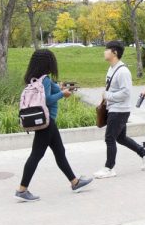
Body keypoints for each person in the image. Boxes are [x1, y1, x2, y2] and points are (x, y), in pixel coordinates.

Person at [15, 49, 93, 202]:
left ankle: (75, 182)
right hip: (47, 122)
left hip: (47, 122)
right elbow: (48, 100)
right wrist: (63, 94)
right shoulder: (44, 80)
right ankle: (22, 189)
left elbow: (51, 90)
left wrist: (61, 87)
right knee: (36, 155)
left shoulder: (35, 78)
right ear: (48, 63)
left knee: (59, 152)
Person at [95, 41, 145, 179]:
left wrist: (107, 95)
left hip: (120, 110)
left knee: (110, 138)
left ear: (114, 52)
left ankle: (109, 168)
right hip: (113, 108)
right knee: (120, 138)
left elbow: (126, 93)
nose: (104, 52)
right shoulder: (111, 68)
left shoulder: (123, 71)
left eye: (107, 50)